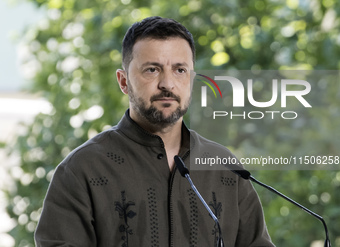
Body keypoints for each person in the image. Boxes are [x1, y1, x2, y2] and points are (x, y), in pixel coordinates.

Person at [35, 16, 274, 247]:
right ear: (123, 81)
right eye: (152, 70)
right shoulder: (81, 170)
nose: (167, 84)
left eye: (180, 70)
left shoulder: (226, 168)